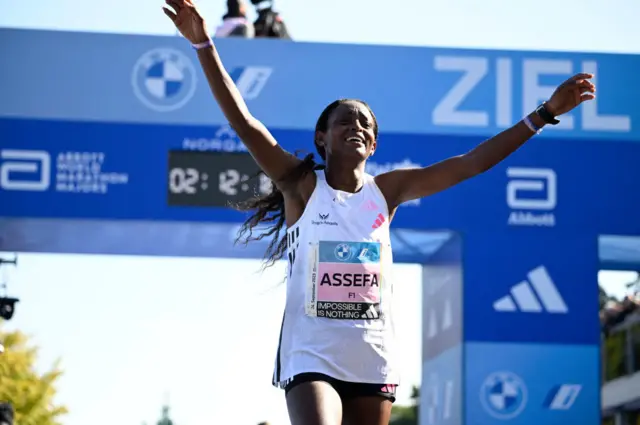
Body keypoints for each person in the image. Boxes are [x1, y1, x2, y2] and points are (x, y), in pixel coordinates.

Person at [163, 1, 596, 423]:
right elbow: (245, 123)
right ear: (322, 138)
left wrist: (544, 114)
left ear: (373, 146)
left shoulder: (388, 192)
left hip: (372, 359)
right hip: (309, 356)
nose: (356, 127)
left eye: (365, 125)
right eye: (344, 122)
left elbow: (472, 163)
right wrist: (204, 46)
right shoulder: (301, 187)